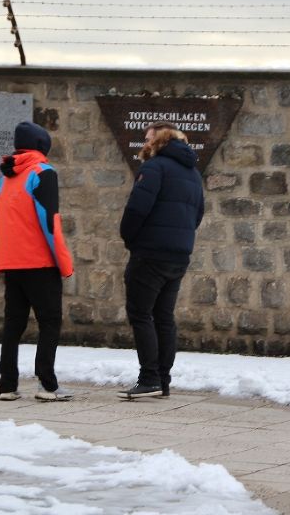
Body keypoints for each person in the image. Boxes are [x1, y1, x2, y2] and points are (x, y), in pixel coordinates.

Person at [118, 121, 204, 399]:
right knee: (163, 317)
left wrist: (130, 239)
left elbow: (136, 209)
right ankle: (162, 380)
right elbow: (197, 214)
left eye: (147, 138)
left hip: (150, 253)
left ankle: (149, 378)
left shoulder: (154, 168)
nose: (144, 142)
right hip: (178, 256)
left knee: (141, 314)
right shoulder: (192, 173)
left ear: (159, 140)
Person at [0, 121, 74, 401]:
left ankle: (7, 384)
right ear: (43, 146)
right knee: (50, 321)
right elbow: (50, 222)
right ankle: (47, 384)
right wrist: (64, 262)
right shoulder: (43, 172)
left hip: (11, 263)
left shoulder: (6, 176)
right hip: (39, 262)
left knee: (13, 324)